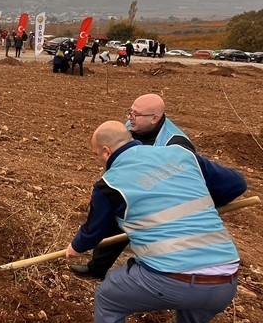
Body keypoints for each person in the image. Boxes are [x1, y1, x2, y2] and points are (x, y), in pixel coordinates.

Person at [66, 121, 246, 323]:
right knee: (193, 320)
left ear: (105, 150)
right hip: (225, 278)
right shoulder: (181, 154)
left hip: (173, 279)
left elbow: (92, 232)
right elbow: (236, 183)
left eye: (97, 156)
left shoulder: (110, 183)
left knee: (108, 297)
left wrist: (74, 248)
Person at [71, 94, 195, 278]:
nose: (130, 118)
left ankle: (154, 278)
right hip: (133, 191)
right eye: (130, 112)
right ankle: (97, 268)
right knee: (112, 221)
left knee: (151, 242)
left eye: (136, 114)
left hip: (161, 202)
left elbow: (183, 178)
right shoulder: (130, 128)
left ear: (154, 118)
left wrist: (139, 185)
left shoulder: (176, 143)